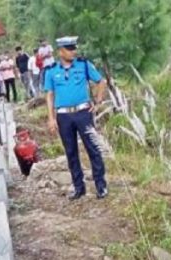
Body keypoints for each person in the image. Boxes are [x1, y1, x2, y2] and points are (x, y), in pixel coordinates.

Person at [44, 36, 110, 200]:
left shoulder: (83, 65)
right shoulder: (51, 70)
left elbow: (101, 81)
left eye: (74, 48)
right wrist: (51, 118)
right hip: (63, 115)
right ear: (61, 51)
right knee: (71, 152)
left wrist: (98, 101)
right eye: (69, 49)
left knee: (93, 148)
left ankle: (101, 186)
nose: (73, 51)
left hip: (83, 112)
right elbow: (50, 94)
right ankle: (79, 187)